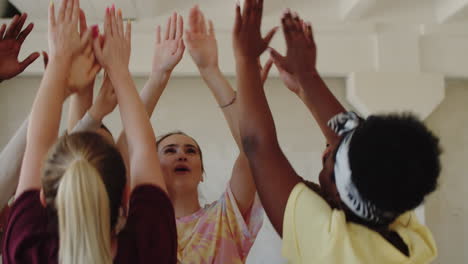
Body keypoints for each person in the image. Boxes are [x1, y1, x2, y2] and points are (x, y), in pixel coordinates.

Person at [233, 1, 441, 263]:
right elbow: (361, 148)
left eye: (330, 158)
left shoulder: (332, 247)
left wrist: (245, 59)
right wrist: (306, 78)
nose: (327, 149)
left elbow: (258, 145)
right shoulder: (411, 240)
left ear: (341, 195)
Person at [2, 2, 177, 263]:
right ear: (126, 195)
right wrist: (119, 70)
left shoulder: (27, 247)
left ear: (43, 197)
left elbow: (37, 142)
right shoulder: (149, 247)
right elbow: (141, 148)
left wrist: (60, 61)